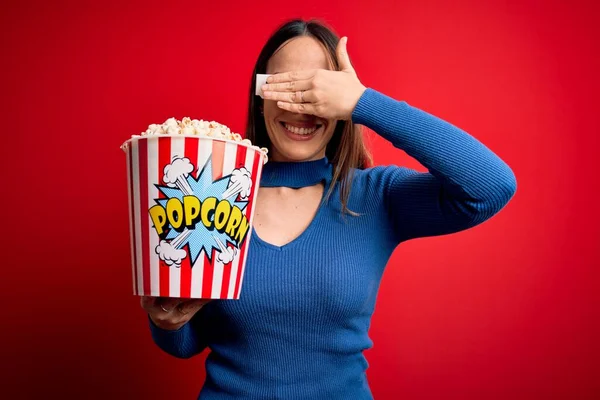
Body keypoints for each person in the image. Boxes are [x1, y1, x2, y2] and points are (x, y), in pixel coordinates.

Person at [140, 18, 517, 399]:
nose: (301, 107)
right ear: (260, 95)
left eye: (316, 91)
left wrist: (364, 103)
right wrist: (166, 321)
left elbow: (490, 186)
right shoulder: (216, 194)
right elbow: (186, 344)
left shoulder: (375, 196)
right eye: (285, 87)